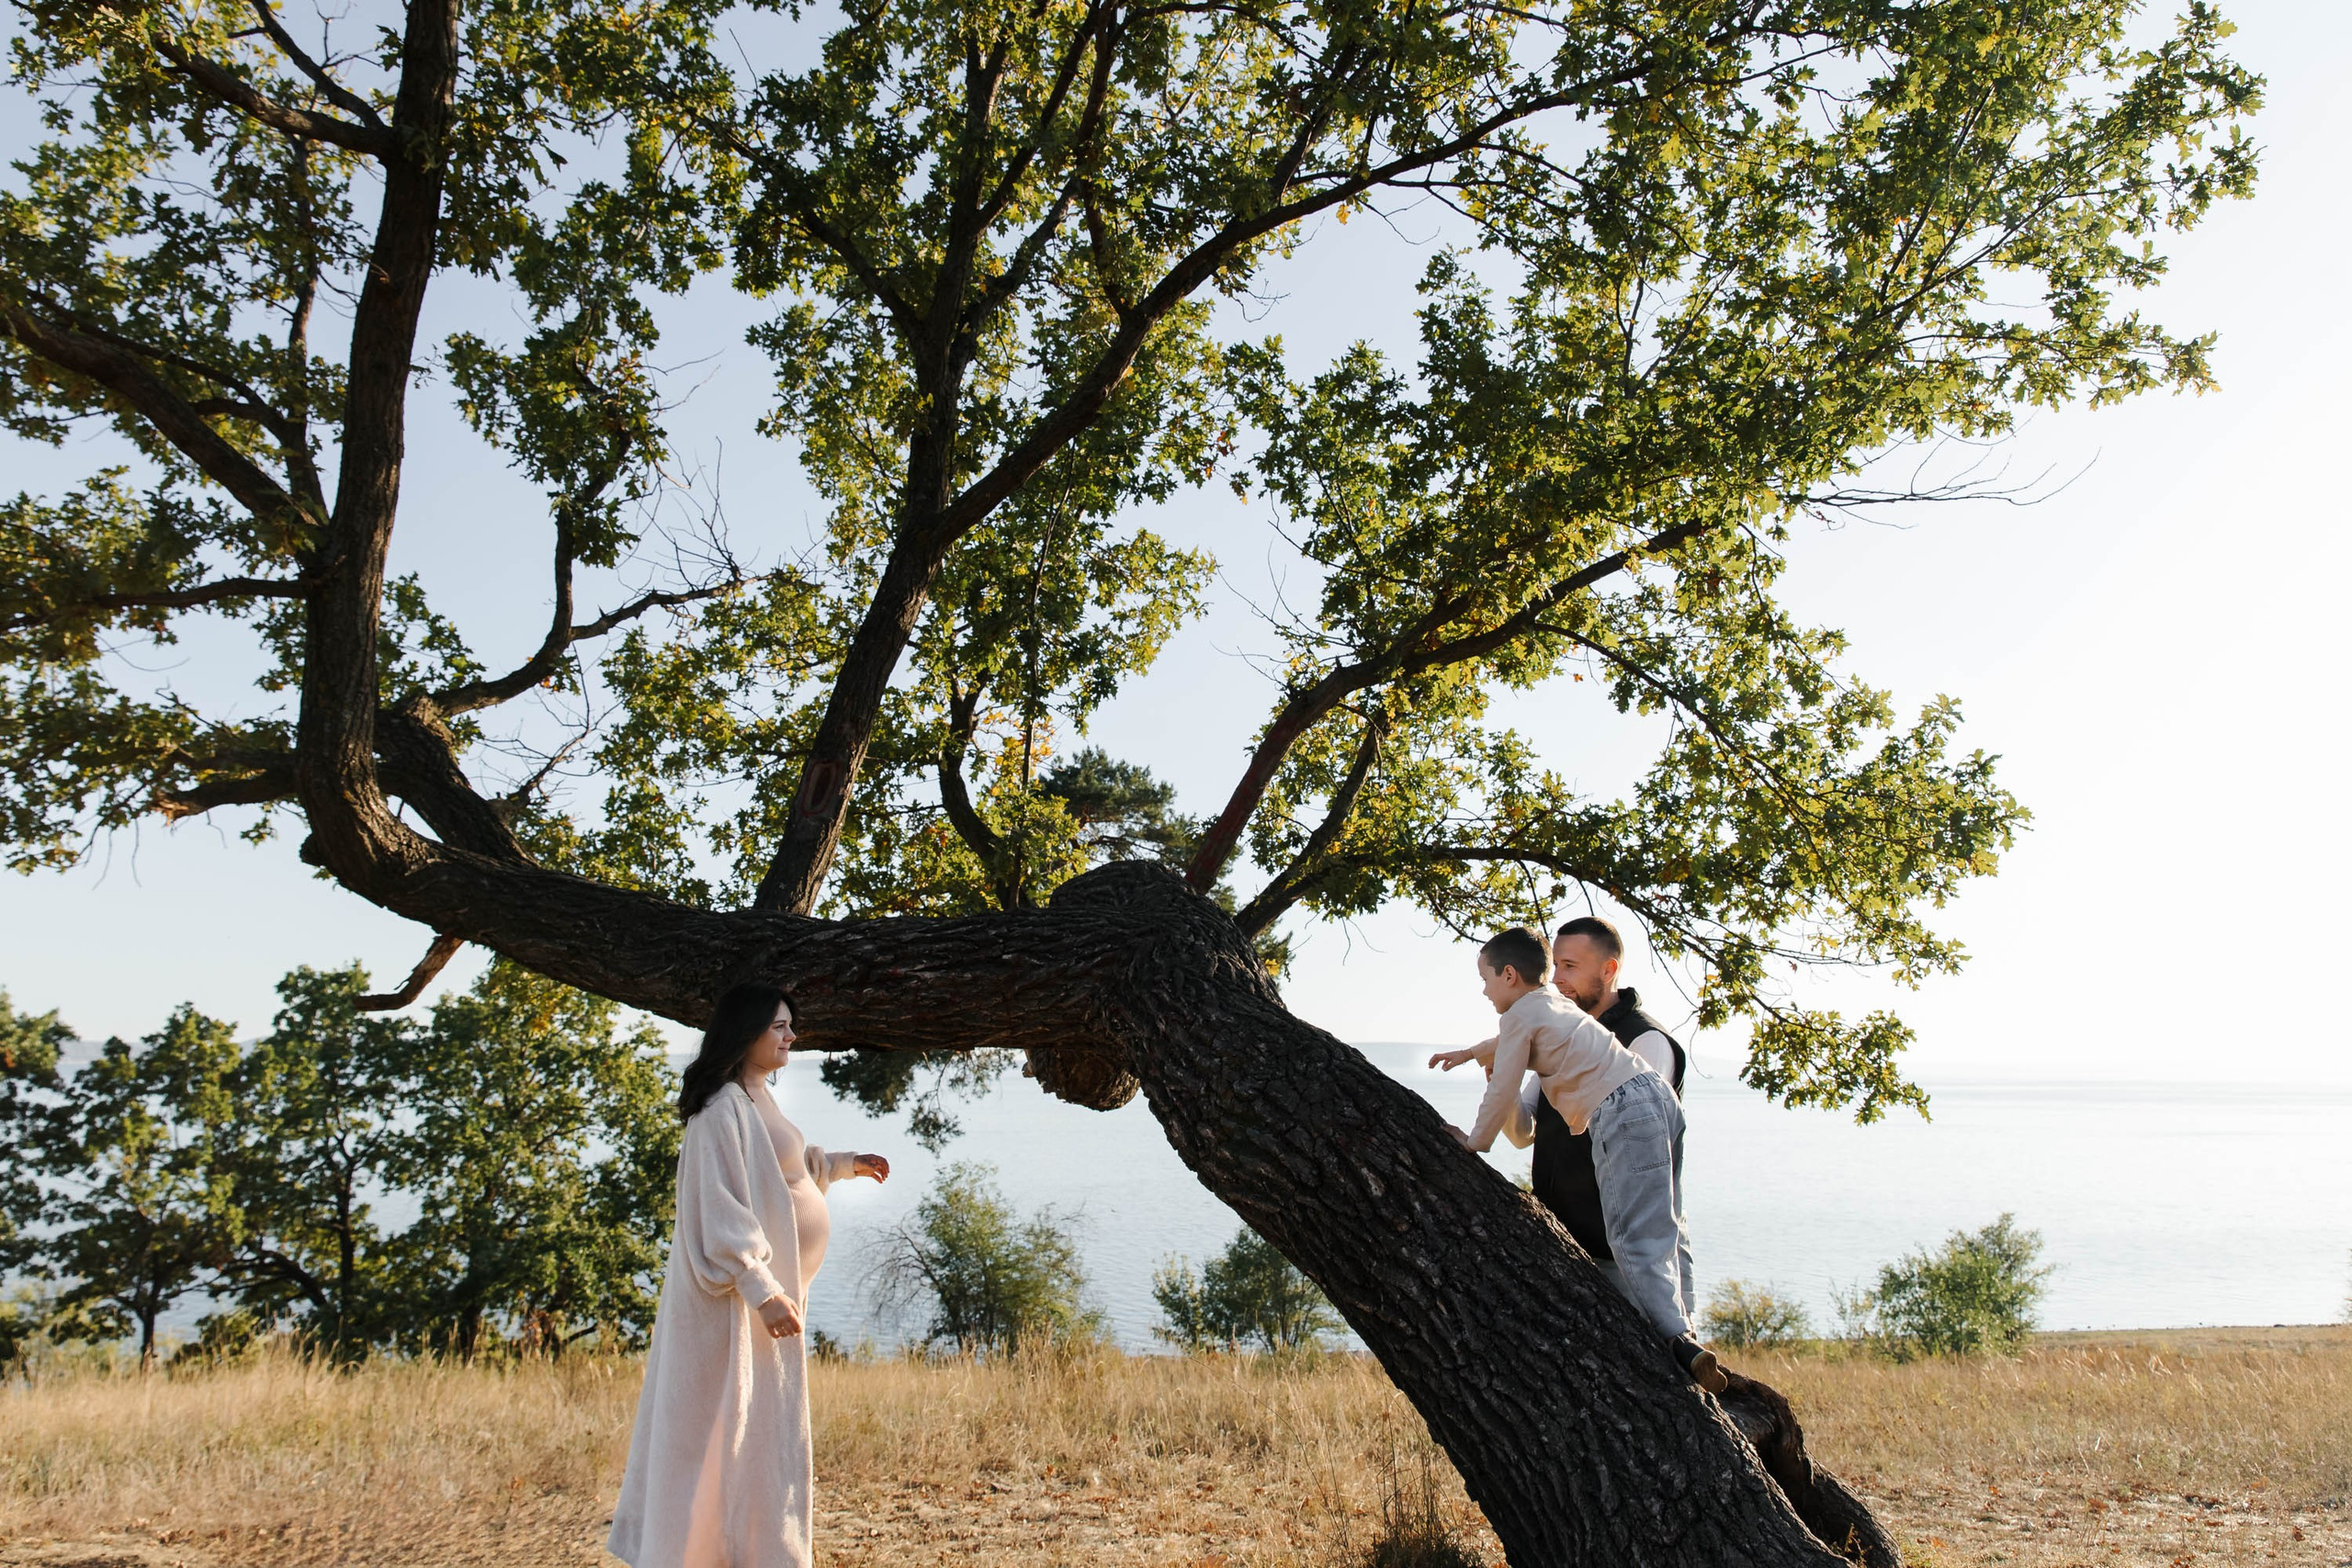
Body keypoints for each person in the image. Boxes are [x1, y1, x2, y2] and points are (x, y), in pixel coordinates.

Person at [607, 984, 889, 1568]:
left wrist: (840, 1166)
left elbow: (783, 1173)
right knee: (719, 1439)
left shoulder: (756, 1094)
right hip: (735, 1313)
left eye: (791, 1026)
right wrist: (762, 1290)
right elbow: (718, 1210)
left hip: (765, 1303)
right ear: (747, 1033)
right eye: (780, 1027)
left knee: (757, 1443)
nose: (792, 1036)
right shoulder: (718, 1111)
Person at [1433, 927, 1724, 1393]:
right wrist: (1470, 1054)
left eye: (1485, 979)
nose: (1483, 990)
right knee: (1658, 1232)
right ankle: (1683, 1340)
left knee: (1632, 1238)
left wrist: (1474, 1142)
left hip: (1620, 1108)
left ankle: (1678, 1343)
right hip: (1657, 1100)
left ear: (1509, 975)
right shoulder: (1551, 1007)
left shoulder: (1545, 1022)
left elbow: (1506, 1083)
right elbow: (1513, 1069)